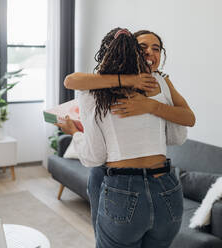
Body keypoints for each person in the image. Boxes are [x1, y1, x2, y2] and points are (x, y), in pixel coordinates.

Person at [57, 28, 195, 248]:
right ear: (132, 51)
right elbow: (178, 136)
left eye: (156, 48)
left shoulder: (98, 92)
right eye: (142, 47)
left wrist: (74, 132)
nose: (150, 52)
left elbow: (94, 157)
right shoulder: (158, 83)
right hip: (167, 186)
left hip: (123, 187)